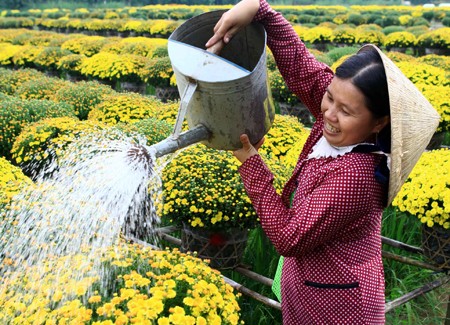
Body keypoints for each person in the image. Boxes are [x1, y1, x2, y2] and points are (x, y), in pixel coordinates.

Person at [206, 0, 440, 323]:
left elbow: (288, 235)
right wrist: (259, 10)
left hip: (337, 307)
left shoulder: (357, 176)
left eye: (345, 111)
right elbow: (303, 67)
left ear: (378, 123)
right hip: (311, 287)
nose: (329, 112)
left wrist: (250, 163)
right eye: (330, 96)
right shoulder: (345, 125)